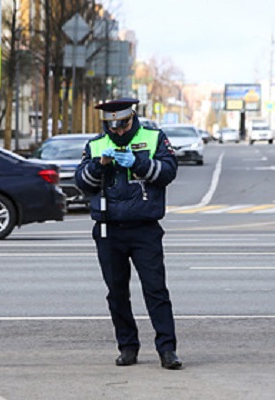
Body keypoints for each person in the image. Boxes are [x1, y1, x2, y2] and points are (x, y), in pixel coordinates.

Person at [75, 98, 182, 370]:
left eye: (122, 125)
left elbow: (168, 172)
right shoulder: (96, 144)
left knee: (156, 290)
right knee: (117, 293)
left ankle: (167, 350)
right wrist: (99, 166)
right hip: (109, 229)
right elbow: (82, 183)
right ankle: (127, 347)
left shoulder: (154, 137)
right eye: (113, 126)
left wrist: (138, 163)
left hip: (144, 228)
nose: (118, 131)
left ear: (132, 118)